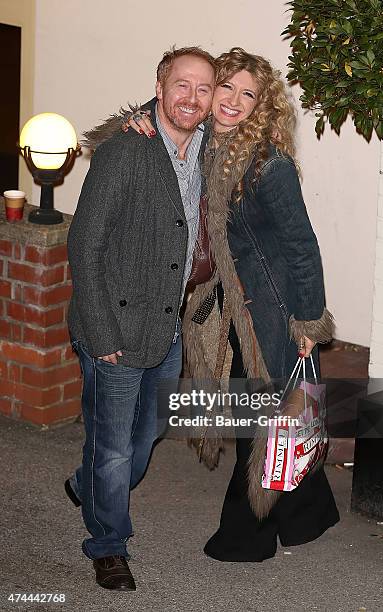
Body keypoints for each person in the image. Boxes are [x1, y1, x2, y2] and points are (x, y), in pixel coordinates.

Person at [126, 47, 340, 562]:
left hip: (272, 310)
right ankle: (310, 513)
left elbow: (302, 246)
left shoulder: (269, 165)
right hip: (228, 308)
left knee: (260, 421)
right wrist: (137, 119)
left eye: (249, 94)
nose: (234, 101)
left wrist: (308, 319)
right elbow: (169, 112)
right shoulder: (201, 146)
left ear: (261, 107)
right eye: (228, 87)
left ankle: (246, 536)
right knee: (278, 416)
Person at [65, 46, 215, 590]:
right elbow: (84, 244)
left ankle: (86, 484)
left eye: (203, 88)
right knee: (114, 449)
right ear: (159, 86)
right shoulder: (126, 152)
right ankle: (107, 544)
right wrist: (102, 334)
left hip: (167, 328)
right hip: (115, 329)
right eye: (182, 84)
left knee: (144, 439)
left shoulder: (206, 152)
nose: (191, 97)